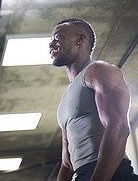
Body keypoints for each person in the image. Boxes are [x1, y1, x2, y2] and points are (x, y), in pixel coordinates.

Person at [50, 18, 137, 181]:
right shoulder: (65, 99)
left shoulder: (99, 70)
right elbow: (67, 162)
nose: (50, 44)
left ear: (80, 39)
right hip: (82, 175)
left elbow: (118, 127)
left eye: (57, 37)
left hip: (112, 173)